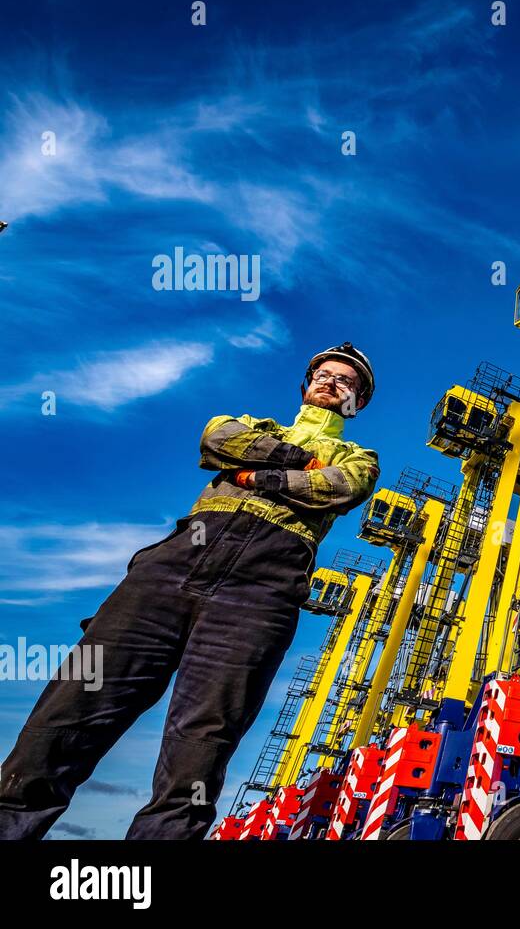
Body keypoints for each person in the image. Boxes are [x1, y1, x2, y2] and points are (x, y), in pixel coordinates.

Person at [0, 343, 381, 839]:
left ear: (358, 402)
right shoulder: (254, 424)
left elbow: (340, 486)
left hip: (263, 586)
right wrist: (292, 462)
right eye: (325, 374)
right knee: (71, 706)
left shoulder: (358, 456)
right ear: (306, 383)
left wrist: (248, 474)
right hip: (171, 567)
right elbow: (217, 436)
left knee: (201, 744)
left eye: (347, 382)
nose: (333, 383)